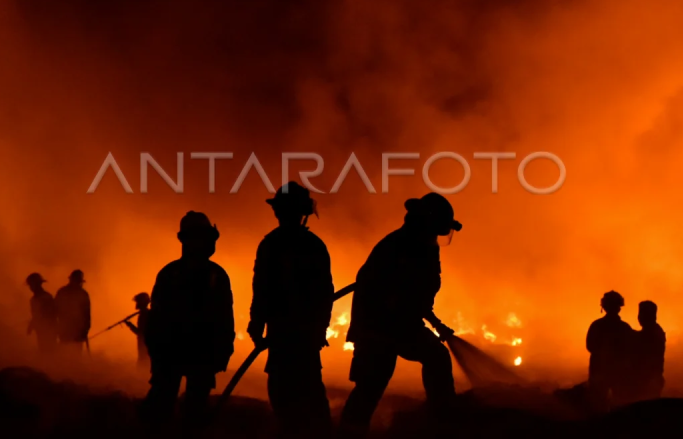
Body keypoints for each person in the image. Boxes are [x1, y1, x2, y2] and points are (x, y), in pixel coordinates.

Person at [340, 193, 462, 435]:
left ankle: (442, 422)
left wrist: (435, 322)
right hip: (376, 327)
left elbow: (418, 294)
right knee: (371, 385)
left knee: (437, 356)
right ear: (425, 223)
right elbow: (385, 293)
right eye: (437, 229)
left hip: (404, 324)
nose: (438, 236)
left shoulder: (425, 248)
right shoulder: (393, 247)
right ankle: (349, 432)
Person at [248, 182, 334, 438]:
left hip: (285, 331)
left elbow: (261, 288)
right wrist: (320, 328)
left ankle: (296, 429)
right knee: (308, 388)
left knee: (284, 387)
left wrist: (257, 323)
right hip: (301, 332)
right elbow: (325, 293)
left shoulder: (270, 244)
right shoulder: (314, 245)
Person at [142, 211, 235, 428]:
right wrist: (157, 352)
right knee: (163, 409)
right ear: (187, 240)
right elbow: (156, 319)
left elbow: (224, 318)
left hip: (199, 356)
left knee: (193, 413)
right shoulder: (172, 274)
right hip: (172, 354)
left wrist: (223, 351)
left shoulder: (214, 275)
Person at [585, 290, 633, 412]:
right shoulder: (624, 328)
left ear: (604, 307)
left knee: (597, 405)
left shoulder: (596, 325)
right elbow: (630, 349)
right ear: (619, 308)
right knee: (620, 406)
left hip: (599, 371)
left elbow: (590, 346)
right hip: (618, 372)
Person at [631, 300, 665, 400]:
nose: (639, 318)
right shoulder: (655, 331)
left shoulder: (653, 333)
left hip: (648, 380)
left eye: (641, 314)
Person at [55, 269, 92, 352]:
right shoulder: (81, 294)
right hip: (66, 330)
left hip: (75, 331)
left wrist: (85, 330)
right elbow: (55, 310)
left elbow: (87, 315)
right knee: (67, 354)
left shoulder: (63, 292)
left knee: (72, 354)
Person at [26, 273, 57, 353]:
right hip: (41, 331)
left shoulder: (46, 298)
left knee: (49, 352)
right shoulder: (33, 299)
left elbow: (51, 315)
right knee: (43, 351)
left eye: (31, 285)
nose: (30, 287)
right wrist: (31, 325)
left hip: (49, 331)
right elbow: (36, 315)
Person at [125, 292, 151, 368]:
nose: (136, 304)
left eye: (138, 302)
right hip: (145, 345)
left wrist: (129, 325)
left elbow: (140, 333)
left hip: (145, 345)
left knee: (143, 364)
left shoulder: (144, 315)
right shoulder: (145, 314)